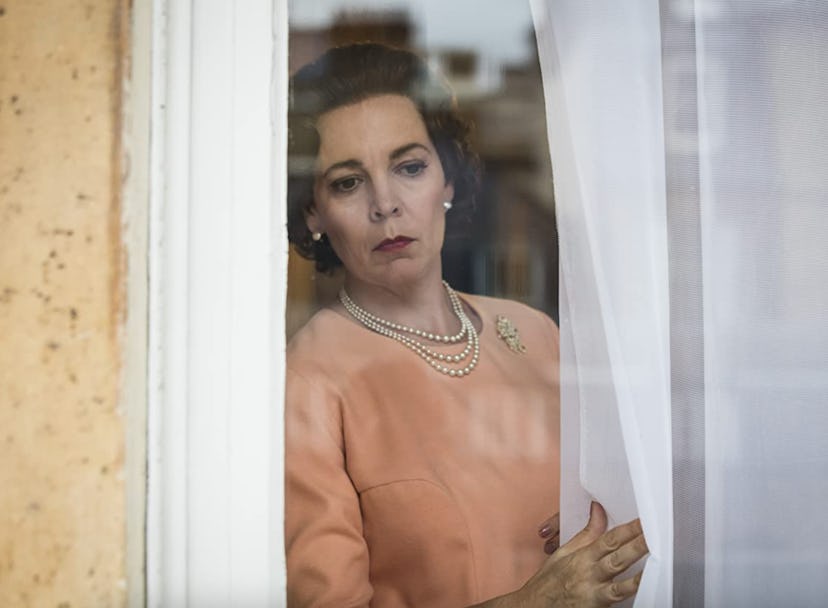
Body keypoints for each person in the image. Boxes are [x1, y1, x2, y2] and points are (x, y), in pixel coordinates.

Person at [285, 42, 647, 607]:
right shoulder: (307, 380)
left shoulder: (533, 332)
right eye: (348, 182)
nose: (386, 204)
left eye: (409, 167)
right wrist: (534, 601)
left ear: (448, 180)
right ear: (313, 212)